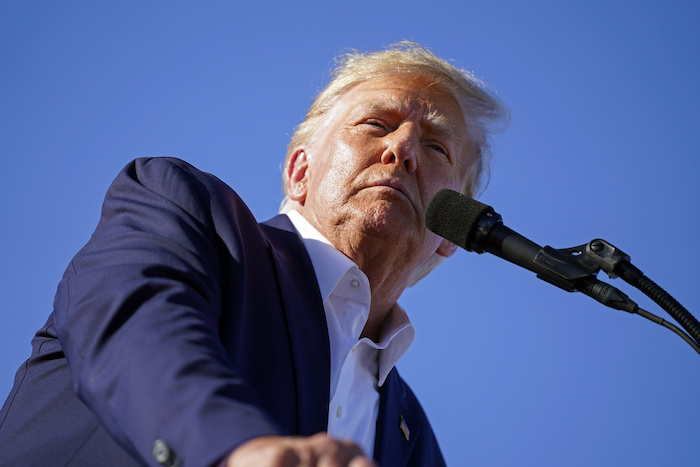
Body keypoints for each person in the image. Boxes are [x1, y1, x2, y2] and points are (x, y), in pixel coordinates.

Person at [0, 42, 507, 466]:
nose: (403, 150)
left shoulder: (415, 440)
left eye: (438, 148)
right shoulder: (188, 209)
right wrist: (236, 446)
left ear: (452, 233)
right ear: (300, 172)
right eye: (376, 124)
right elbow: (136, 322)